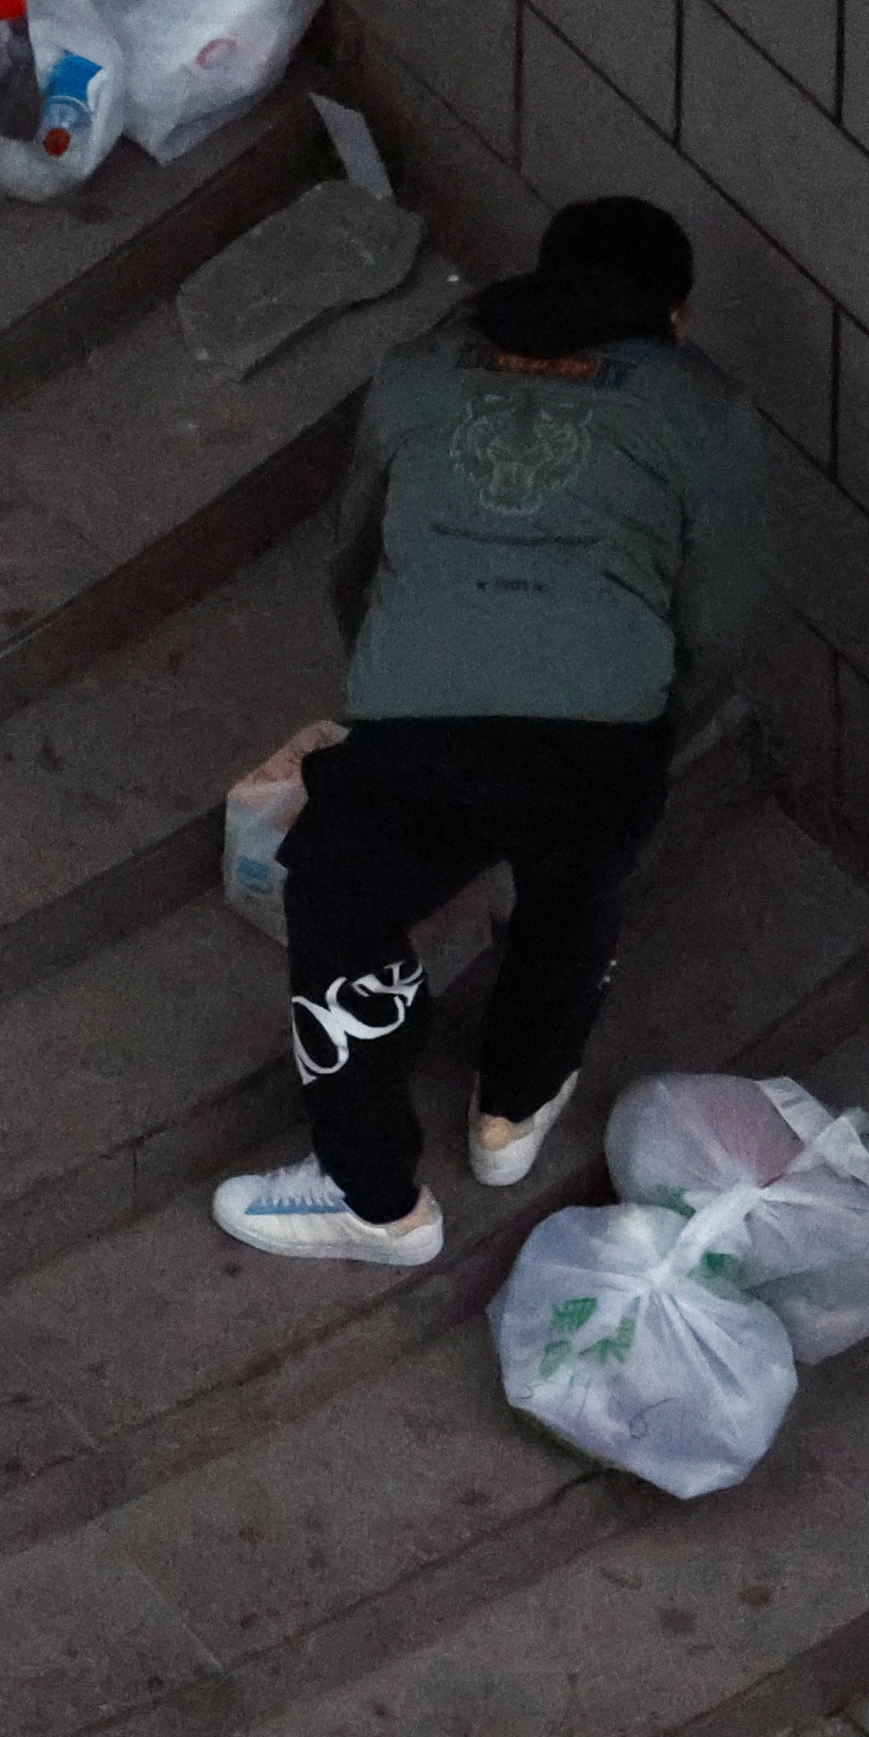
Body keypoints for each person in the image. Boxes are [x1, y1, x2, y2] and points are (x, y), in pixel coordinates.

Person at [216, 196, 768, 1265]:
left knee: (340, 903)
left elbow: (356, 556)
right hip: (606, 725)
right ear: (677, 316)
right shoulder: (707, 407)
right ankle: (511, 1113)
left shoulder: (421, 368)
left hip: (422, 715)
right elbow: (724, 609)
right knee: (576, 892)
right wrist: (649, 727)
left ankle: (370, 1198)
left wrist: (399, 673)